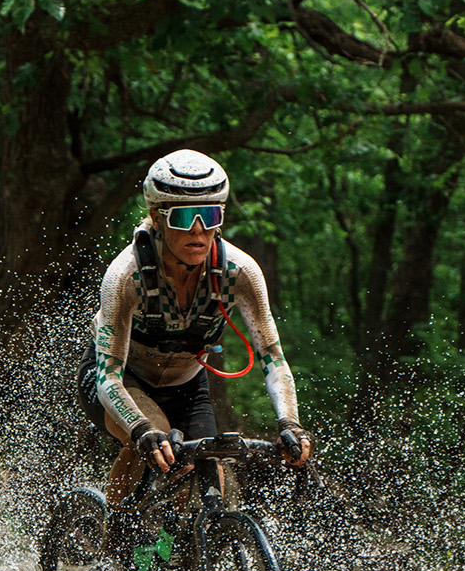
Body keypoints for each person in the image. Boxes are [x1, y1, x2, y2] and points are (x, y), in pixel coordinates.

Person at [78, 149, 311, 509]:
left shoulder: (240, 271)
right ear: (157, 217)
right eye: (185, 217)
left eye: (211, 215)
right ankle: (114, 544)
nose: (199, 231)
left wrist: (289, 423)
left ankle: (191, 551)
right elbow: (109, 375)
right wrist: (142, 431)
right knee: (155, 447)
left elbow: (272, 356)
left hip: (187, 384)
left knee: (210, 472)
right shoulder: (125, 276)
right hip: (122, 380)